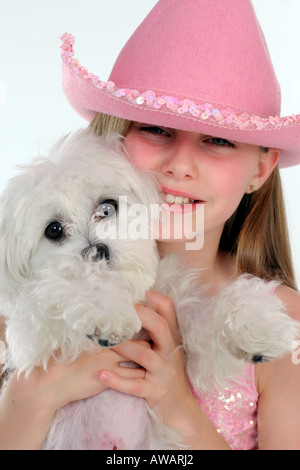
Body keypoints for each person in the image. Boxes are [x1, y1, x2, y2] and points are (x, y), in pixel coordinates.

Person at [0, 0, 300, 450]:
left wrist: (176, 403)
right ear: (112, 136)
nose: (180, 166)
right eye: (156, 129)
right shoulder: (29, 306)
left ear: (260, 170)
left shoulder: (284, 320)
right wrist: (30, 396)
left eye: (217, 140)